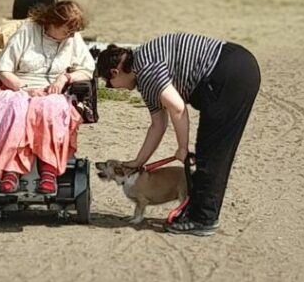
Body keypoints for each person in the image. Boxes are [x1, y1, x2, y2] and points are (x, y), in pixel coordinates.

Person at [95, 34, 261, 236]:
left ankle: (203, 219)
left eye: (110, 84)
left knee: (212, 153)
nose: (115, 89)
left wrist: (182, 148)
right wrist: (138, 161)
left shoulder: (147, 70)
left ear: (115, 72)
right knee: (210, 150)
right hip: (234, 64)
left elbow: (177, 108)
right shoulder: (143, 75)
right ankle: (197, 213)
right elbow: (158, 125)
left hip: (227, 71)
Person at [0, 0, 95, 195]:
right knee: (15, 109)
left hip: (53, 90)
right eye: (66, 30)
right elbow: (3, 68)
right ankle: (10, 171)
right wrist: (25, 88)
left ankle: (49, 172)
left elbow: (87, 69)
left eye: (72, 32)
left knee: (51, 108)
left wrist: (65, 77)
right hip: (18, 86)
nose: (69, 35)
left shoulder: (72, 38)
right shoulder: (27, 31)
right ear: (51, 22)